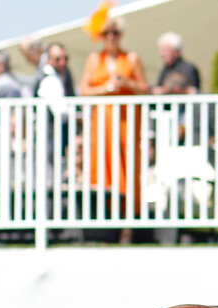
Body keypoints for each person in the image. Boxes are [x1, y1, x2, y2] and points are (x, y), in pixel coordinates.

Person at [78, 16, 149, 242]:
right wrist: (105, 89)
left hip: (126, 123)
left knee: (127, 169)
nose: (110, 38)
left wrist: (126, 83)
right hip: (102, 123)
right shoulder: (93, 59)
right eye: (106, 33)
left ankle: (128, 225)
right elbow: (84, 90)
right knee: (103, 169)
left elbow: (145, 89)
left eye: (115, 33)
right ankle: (106, 223)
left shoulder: (131, 58)